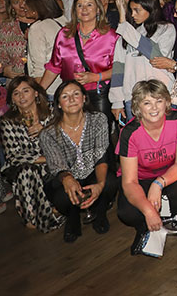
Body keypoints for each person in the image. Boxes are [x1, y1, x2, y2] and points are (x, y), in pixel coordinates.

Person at [116, 80, 177, 254]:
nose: (154, 108)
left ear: (167, 102)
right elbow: (129, 182)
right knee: (126, 212)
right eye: (147, 103)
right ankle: (144, 229)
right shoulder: (129, 133)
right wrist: (149, 212)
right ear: (137, 107)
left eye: (159, 101)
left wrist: (158, 184)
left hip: (169, 173)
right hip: (140, 178)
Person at [41, 80, 118, 242]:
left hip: (93, 171)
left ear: (84, 98)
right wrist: (67, 179)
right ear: (59, 104)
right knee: (62, 196)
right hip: (66, 175)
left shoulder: (98, 120)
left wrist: (100, 184)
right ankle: (72, 218)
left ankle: (100, 212)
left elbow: (101, 156)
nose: (71, 99)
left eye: (76, 94)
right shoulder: (48, 133)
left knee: (110, 182)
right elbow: (57, 167)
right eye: (65, 96)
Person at [41, 0, 118, 124]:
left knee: (99, 133)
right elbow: (54, 66)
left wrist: (96, 77)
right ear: (75, 11)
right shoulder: (64, 34)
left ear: (98, 10)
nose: (84, 9)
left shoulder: (110, 36)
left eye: (89, 5)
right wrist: (39, 92)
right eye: (80, 5)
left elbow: (119, 68)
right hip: (70, 95)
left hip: (97, 94)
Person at [0, 77, 64, 232]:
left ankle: (48, 210)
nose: (21, 96)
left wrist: (45, 131)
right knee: (26, 171)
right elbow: (13, 156)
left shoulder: (52, 112)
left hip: (55, 161)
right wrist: (45, 159)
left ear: (36, 93)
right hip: (28, 165)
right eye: (16, 93)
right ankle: (36, 216)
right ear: (12, 99)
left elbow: (65, 142)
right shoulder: (7, 121)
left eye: (25, 91)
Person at [111, 0, 176, 123]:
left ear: (150, 9)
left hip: (161, 95)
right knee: (137, 135)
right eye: (131, 10)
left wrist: (124, 25)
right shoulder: (125, 34)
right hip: (133, 97)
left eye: (137, 10)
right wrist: (117, 101)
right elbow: (118, 68)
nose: (133, 14)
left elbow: (157, 58)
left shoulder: (166, 29)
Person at [24, 0, 65, 96]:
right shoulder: (64, 20)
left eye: (26, 2)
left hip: (49, 89)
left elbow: (39, 67)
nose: (23, 6)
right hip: (68, 86)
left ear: (36, 6)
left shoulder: (37, 28)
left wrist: (38, 94)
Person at [0, 0, 28, 84]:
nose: (22, 5)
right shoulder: (6, 27)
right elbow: (0, 56)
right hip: (15, 83)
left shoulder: (42, 24)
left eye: (24, 1)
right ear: (11, 6)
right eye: (16, 2)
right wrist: (4, 70)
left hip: (42, 80)